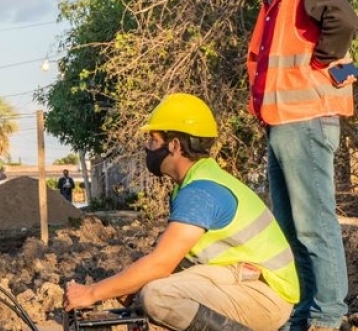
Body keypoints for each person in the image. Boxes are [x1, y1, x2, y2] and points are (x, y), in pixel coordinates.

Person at [64, 93, 298, 331]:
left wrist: (92, 292)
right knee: (150, 287)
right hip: (250, 280)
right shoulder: (200, 181)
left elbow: (160, 264)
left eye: (153, 140)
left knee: (158, 296)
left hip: (266, 297)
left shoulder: (200, 193)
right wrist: (130, 286)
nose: (148, 148)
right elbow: (177, 260)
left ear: (174, 145)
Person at [228, 0, 358, 331]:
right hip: (283, 121)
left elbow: (342, 22)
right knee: (292, 226)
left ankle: (327, 314)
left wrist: (319, 63)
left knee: (314, 224)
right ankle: (305, 311)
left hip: (306, 118)